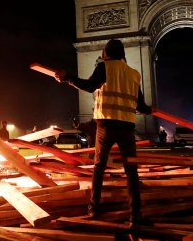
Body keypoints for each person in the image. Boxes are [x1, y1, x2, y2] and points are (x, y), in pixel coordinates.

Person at [54, 39, 152, 228]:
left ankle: (94, 208)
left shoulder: (104, 67)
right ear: (123, 54)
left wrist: (67, 77)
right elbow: (140, 106)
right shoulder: (134, 74)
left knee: (99, 167)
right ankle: (136, 214)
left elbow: (89, 86)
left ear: (106, 54)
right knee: (131, 170)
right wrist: (149, 109)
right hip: (127, 127)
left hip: (106, 125)